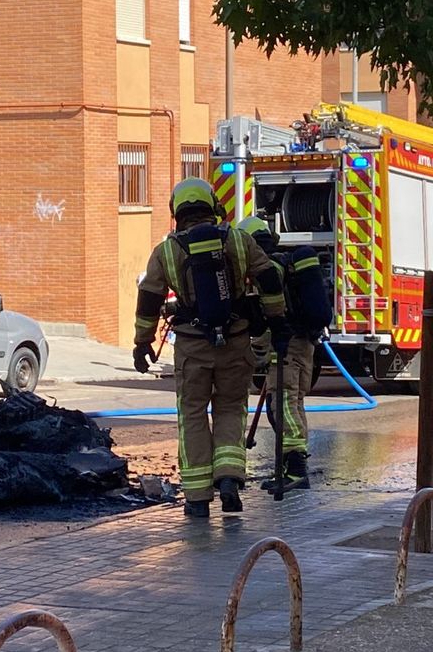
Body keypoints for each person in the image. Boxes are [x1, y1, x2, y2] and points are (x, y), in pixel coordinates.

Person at [133, 179, 289, 518]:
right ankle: (229, 477)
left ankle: (198, 496)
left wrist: (142, 342)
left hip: (192, 346)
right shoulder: (237, 239)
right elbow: (268, 278)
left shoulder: (167, 251)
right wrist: (277, 321)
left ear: (177, 212)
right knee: (231, 408)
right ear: (212, 206)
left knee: (192, 415)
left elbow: (149, 299)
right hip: (235, 341)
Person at [235, 216, 326, 492]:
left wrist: (258, 349)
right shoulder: (285, 263)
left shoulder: (268, 268)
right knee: (292, 402)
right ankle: (291, 467)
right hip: (303, 343)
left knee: (282, 405)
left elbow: (269, 311)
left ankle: (296, 470)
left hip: (287, 345)